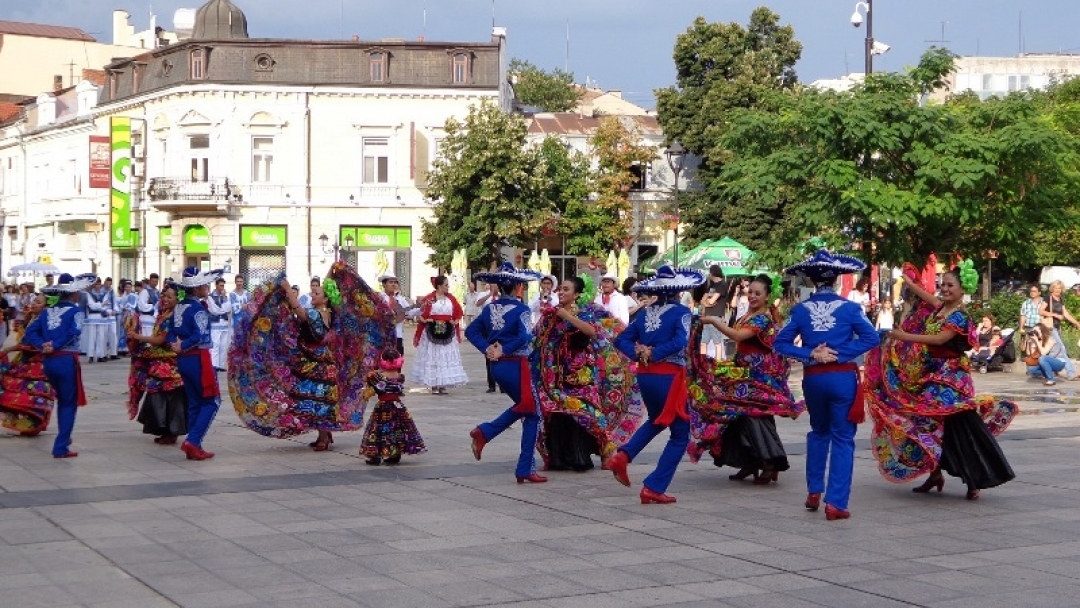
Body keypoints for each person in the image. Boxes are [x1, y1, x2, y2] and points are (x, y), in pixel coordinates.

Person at [872, 267, 1017, 500]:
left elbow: (940, 339)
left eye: (951, 285)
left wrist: (905, 337)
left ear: (963, 289)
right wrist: (909, 282)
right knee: (926, 423)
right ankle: (935, 473)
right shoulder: (941, 307)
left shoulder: (960, 315)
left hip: (951, 378)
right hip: (932, 373)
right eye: (944, 284)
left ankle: (974, 478)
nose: (946, 289)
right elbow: (926, 296)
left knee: (959, 426)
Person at [230, 262, 396, 448]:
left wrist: (287, 290)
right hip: (324, 361)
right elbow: (313, 303)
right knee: (320, 397)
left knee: (317, 397)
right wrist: (330, 272)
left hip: (317, 363)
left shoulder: (317, 314)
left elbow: (300, 313)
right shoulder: (332, 313)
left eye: (316, 294)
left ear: (325, 299)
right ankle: (324, 435)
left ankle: (324, 438)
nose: (312, 295)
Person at [773, 249, 880, 521]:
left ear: (810, 281)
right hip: (842, 377)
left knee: (818, 432)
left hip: (814, 379)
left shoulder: (799, 311)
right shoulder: (850, 308)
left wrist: (811, 354)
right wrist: (842, 352)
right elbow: (871, 338)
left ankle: (813, 490)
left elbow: (780, 343)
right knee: (843, 439)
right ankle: (836, 503)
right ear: (836, 280)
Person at [689, 274, 804, 483]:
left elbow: (737, 336)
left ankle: (770, 463)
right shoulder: (749, 315)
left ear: (767, 297)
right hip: (744, 373)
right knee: (738, 417)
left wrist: (714, 321)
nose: (752, 296)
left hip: (757, 376)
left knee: (755, 417)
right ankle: (750, 462)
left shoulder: (761, 318)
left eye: (757, 293)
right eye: (750, 291)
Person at [606, 265, 705, 504]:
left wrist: (641, 355)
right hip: (669, 377)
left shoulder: (644, 313)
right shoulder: (681, 312)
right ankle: (654, 486)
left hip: (646, 375)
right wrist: (655, 353)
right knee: (680, 434)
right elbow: (680, 342)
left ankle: (624, 455)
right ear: (678, 291)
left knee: (657, 420)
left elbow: (621, 340)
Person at [532, 276, 643, 472]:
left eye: (566, 289)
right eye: (561, 289)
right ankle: (559, 457)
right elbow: (537, 339)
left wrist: (566, 316)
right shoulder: (549, 315)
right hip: (555, 376)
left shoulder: (584, 313)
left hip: (580, 374)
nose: (561, 292)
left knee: (587, 414)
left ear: (576, 295)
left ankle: (584, 455)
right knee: (558, 415)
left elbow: (591, 332)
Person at [465, 262, 546, 483]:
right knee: (533, 413)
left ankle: (524, 467)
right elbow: (525, 336)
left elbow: (471, 331)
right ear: (519, 287)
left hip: (498, 367)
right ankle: (487, 432)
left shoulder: (489, 308)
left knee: (529, 412)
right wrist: (504, 350)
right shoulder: (522, 309)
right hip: (518, 365)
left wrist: (488, 349)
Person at [24, 273, 92, 458]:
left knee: (62, 400)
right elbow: (73, 332)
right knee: (68, 403)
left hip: (49, 361)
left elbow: (30, 331)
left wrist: (42, 345)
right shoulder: (76, 311)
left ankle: (64, 438)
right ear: (73, 293)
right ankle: (61, 445)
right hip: (65, 359)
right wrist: (54, 345)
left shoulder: (46, 311)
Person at [168, 267, 222, 461]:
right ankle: (193, 440)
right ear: (197, 288)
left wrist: (176, 344)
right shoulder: (198, 308)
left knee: (194, 402)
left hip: (183, 360)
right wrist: (184, 344)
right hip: (198, 358)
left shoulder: (179, 307)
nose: (207, 287)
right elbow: (199, 335)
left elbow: (170, 331)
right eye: (204, 285)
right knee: (212, 401)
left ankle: (195, 444)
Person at [126, 282, 187, 444]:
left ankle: (171, 431)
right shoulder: (164, 313)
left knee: (169, 398)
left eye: (169, 296)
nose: (165, 299)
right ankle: (164, 430)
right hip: (159, 362)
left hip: (170, 364)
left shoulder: (175, 316)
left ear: (178, 299)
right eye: (164, 296)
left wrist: (138, 337)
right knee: (158, 396)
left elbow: (160, 340)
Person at [0, 293, 56, 436]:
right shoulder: (31, 319)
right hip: (24, 359)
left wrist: (9, 349)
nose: (34, 304)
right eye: (34, 301)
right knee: (18, 389)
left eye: (38, 302)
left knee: (32, 392)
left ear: (45, 306)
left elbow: (31, 343)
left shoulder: (45, 322)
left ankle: (33, 423)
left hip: (37, 363)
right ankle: (26, 422)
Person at [360, 348, 426, 465]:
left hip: (382, 407)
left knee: (378, 430)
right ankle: (394, 453)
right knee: (397, 429)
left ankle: (375, 454)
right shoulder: (400, 377)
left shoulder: (376, 377)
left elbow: (367, 385)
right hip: (397, 407)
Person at [412, 275, 467, 394]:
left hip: (447, 330)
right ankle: (434, 384)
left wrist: (455, 321)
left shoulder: (451, 299)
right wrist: (425, 320)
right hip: (432, 331)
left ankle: (442, 383)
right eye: (446, 285)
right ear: (439, 286)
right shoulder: (430, 299)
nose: (448, 287)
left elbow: (458, 312)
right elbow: (420, 312)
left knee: (444, 357)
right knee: (435, 357)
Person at [699, 265, 733, 359]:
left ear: (712, 273)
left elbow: (711, 301)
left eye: (710, 272)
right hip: (707, 316)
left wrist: (707, 302)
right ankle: (703, 361)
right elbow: (703, 301)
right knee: (703, 341)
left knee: (717, 341)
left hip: (716, 316)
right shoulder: (711, 285)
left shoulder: (722, 284)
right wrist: (707, 304)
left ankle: (717, 362)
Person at [379, 273, 413, 353]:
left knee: (397, 361)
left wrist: (421, 308)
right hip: (382, 335)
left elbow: (410, 312)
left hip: (398, 335)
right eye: (391, 282)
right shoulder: (378, 298)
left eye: (395, 282)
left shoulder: (401, 299)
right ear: (384, 284)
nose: (393, 284)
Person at [1039, 280, 1080, 345]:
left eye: (1059, 288)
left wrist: (1076, 323)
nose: (1057, 290)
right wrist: (1055, 315)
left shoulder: (1060, 299)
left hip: (1057, 327)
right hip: (1049, 327)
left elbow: (1066, 314)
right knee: (1061, 348)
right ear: (1052, 288)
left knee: (1055, 349)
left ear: (1062, 289)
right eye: (1056, 288)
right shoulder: (1048, 297)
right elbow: (1040, 311)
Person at [477, 282, 499, 393]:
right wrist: (489, 294)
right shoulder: (483, 294)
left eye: (496, 285)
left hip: (499, 329)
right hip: (487, 329)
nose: (495, 287)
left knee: (501, 354)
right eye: (493, 285)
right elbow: (478, 303)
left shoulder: (501, 296)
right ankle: (491, 384)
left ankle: (503, 384)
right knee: (489, 355)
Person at [205, 276, 231, 372]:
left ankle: (221, 365)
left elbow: (228, 308)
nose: (222, 288)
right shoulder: (211, 297)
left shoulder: (225, 297)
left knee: (223, 345)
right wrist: (223, 307)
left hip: (224, 323)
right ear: (216, 285)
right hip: (215, 323)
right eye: (220, 286)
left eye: (223, 286)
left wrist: (224, 299)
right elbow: (216, 310)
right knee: (215, 344)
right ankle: (214, 365)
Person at [117, 279, 137, 357]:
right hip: (124, 314)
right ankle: (122, 348)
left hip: (130, 316)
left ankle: (129, 349)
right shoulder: (124, 295)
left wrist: (125, 317)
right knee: (123, 332)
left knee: (129, 332)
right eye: (126, 287)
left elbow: (129, 308)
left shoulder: (132, 296)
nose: (127, 288)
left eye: (129, 287)